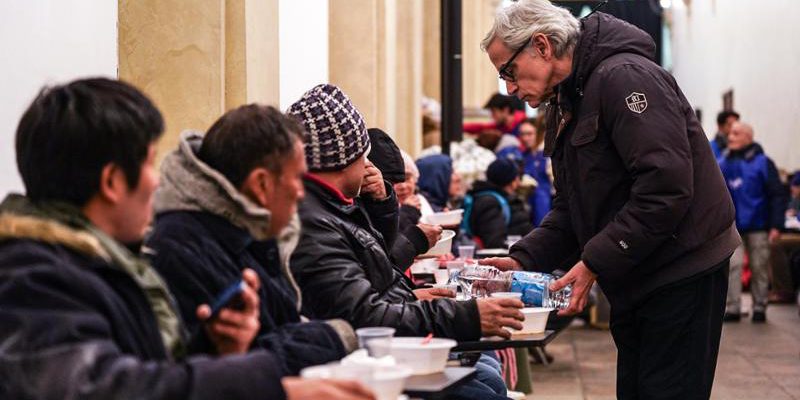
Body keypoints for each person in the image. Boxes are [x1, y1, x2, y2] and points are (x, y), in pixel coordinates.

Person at [0, 78, 374, 399]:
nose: (157, 180)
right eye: (148, 163)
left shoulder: (95, 263)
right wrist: (270, 386)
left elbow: (140, 365)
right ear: (113, 182)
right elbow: (101, 389)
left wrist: (219, 350)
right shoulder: (32, 279)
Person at [478, 1, 740, 399]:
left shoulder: (625, 77)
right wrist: (522, 259)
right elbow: (572, 208)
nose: (510, 88)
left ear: (543, 46)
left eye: (508, 72)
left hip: (681, 267)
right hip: (639, 271)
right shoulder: (567, 99)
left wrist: (594, 261)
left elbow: (665, 188)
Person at [287, 84, 523, 400]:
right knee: (485, 390)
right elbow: (363, 315)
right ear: (347, 158)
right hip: (363, 362)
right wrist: (466, 316)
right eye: (364, 156)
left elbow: (375, 271)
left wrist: (414, 296)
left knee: (488, 378)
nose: (369, 167)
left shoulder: (337, 205)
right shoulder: (316, 220)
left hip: (381, 344)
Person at [144, 104, 358, 375]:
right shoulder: (181, 249)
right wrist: (334, 336)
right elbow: (241, 365)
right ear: (261, 184)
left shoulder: (247, 230)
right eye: (298, 178)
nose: (302, 192)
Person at [718, 121, 785, 323]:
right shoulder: (722, 163)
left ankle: (759, 306)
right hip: (732, 227)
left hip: (758, 225)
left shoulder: (763, 163)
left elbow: (777, 195)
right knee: (733, 266)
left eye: (736, 133)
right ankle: (733, 307)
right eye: (730, 133)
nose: (731, 137)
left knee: (759, 267)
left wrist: (776, 225)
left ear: (748, 137)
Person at [462, 158, 534, 248]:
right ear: (510, 180)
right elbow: (494, 242)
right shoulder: (489, 202)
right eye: (517, 177)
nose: (519, 183)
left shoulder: (495, 198)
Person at [519, 116, 552, 226]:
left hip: (548, 207)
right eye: (522, 134)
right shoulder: (523, 157)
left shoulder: (549, 155)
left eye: (529, 134)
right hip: (527, 210)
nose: (525, 138)